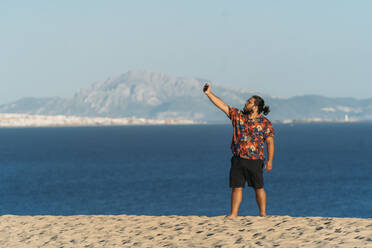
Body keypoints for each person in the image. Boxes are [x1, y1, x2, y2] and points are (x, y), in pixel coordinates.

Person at [203, 83, 274, 217]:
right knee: (236, 187)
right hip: (238, 159)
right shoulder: (238, 116)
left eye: (249, 102)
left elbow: (270, 142)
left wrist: (270, 160)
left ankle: (263, 214)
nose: (245, 103)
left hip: (255, 160)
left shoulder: (265, 123)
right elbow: (222, 106)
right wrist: (208, 94)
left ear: (256, 107)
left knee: (258, 188)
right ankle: (233, 214)